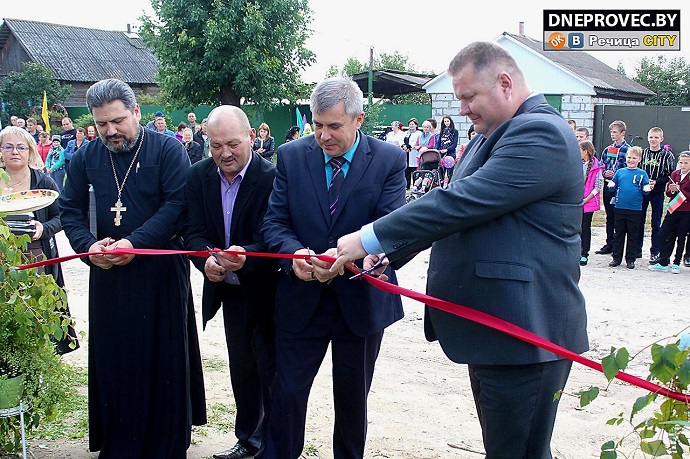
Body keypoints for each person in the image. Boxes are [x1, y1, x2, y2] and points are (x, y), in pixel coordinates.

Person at [331, 41, 588, 459]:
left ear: (505, 83)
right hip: (498, 329)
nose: (463, 109)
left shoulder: (541, 133)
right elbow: (459, 211)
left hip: (526, 334)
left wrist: (368, 238)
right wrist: (389, 253)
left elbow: (461, 202)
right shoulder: (496, 132)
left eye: (469, 97)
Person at [58, 78, 206, 457]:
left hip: (159, 273)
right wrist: (87, 246)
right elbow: (70, 210)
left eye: (118, 121)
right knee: (116, 357)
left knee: (162, 357)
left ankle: (166, 443)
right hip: (109, 273)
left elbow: (176, 207)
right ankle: (120, 439)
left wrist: (134, 243)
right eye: (101, 124)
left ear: (136, 111)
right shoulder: (86, 156)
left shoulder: (168, 150)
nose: (110, 131)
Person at [260, 77, 406, 459]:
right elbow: (274, 223)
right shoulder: (291, 156)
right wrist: (295, 254)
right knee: (287, 394)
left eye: (334, 126)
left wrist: (368, 257)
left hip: (359, 301)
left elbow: (392, 226)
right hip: (301, 298)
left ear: (358, 119)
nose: (324, 136)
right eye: (317, 124)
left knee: (352, 401)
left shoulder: (389, 160)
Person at [184, 105, 278, 459]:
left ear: (252, 137)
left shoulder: (271, 178)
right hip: (230, 291)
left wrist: (247, 256)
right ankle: (248, 440)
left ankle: (276, 444)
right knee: (242, 367)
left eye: (233, 144)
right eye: (216, 145)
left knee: (272, 369)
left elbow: (275, 236)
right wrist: (204, 261)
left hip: (268, 290)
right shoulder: (198, 177)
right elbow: (192, 232)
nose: (225, 153)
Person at [0, 126, 79, 354]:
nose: (15, 152)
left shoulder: (43, 182)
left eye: (21, 147)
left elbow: (62, 216)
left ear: (30, 151)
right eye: (8, 147)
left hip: (36, 255)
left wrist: (44, 228)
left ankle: (38, 360)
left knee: (35, 310)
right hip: (2, 257)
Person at [606, 146, 650, 269]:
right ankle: (616, 258)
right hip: (620, 208)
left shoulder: (642, 174)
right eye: (629, 157)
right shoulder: (620, 172)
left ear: (639, 159)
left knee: (633, 235)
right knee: (618, 234)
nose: (631, 160)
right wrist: (611, 186)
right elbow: (613, 188)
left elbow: (645, 191)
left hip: (635, 210)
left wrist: (647, 189)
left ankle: (630, 259)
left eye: (634, 158)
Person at [637, 127, 675, 263]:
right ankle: (637, 249)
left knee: (656, 223)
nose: (653, 140)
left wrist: (657, 182)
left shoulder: (667, 155)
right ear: (648, 138)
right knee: (639, 220)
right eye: (651, 137)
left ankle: (655, 250)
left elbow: (670, 175)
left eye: (656, 137)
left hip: (658, 192)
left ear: (661, 139)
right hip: (643, 191)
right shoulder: (643, 153)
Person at [649, 152, 690, 274]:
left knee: (681, 237)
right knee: (663, 234)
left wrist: (680, 190)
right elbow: (668, 192)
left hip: (686, 211)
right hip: (673, 209)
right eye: (681, 162)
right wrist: (671, 190)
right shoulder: (675, 174)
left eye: (686, 163)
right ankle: (664, 261)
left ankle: (676, 263)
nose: (683, 165)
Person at [595, 120, 630, 255]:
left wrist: (617, 174)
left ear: (622, 133)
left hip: (621, 186)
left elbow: (629, 167)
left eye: (615, 132)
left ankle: (618, 244)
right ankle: (609, 243)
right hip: (608, 185)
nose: (612, 134)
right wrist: (605, 173)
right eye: (611, 132)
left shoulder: (628, 150)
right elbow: (602, 165)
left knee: (618, 216)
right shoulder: (608, 149)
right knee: (609, 216)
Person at [580, 140, 604, 266]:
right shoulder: (577, 164)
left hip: (587, 202)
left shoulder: (596, 167)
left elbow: (597, 187)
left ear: (585, 151)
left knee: (585, 227)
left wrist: (586, 199)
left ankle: (584, 253)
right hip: (575, 201)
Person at [437, 115, 459, 185]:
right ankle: (441, 185)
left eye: (447, 121)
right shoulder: (442, 131)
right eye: (445, 121)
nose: (446, 123)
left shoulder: (455, 131)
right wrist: (439, 150)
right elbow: (438, 143)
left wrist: (447, 149)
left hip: (451, 154)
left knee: (450, 173)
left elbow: (454, 144)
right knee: (441, 172)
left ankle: (449, 186)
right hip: (442, 154)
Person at [401, 117, 421, 189]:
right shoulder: (405, 133)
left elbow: (416, 142)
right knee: (407, 169)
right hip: (406, 152)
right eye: (410, 124)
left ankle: (416, 185)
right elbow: (401, 140)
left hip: (413, 152)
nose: (411, 126)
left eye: (412, 124)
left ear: (416, 125)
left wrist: (409, 147)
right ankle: (407, 185)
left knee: (414, 170)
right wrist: (404, 146)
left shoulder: (418, 133)